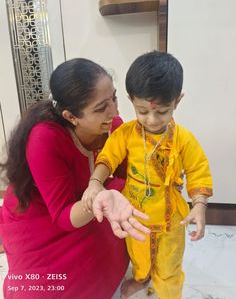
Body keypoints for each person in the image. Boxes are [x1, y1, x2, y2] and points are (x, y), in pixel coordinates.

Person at [0, 58, 150, 299]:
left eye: (114, 98)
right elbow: (61, 217)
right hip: (44, 216)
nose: (115, 111)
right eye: (101, 107)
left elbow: (128, 180)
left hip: (86, 203)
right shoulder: (45, 139)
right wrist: (100, 198)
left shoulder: (114, 127)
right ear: (71, 117)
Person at [82, 51, 213, 299]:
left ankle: (168, 293)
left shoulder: (183, 139)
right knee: (138, 254)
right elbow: (108, 158)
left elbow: (198, 170)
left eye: (162, 112)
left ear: (177, 101)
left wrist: (199, 205)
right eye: (142, 111)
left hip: (170, 220)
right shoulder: (127, 134)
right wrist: (95, 182)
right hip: (134, 213)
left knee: (169, 265)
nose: (151, 119)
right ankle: (142, 278)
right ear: (132, 100)